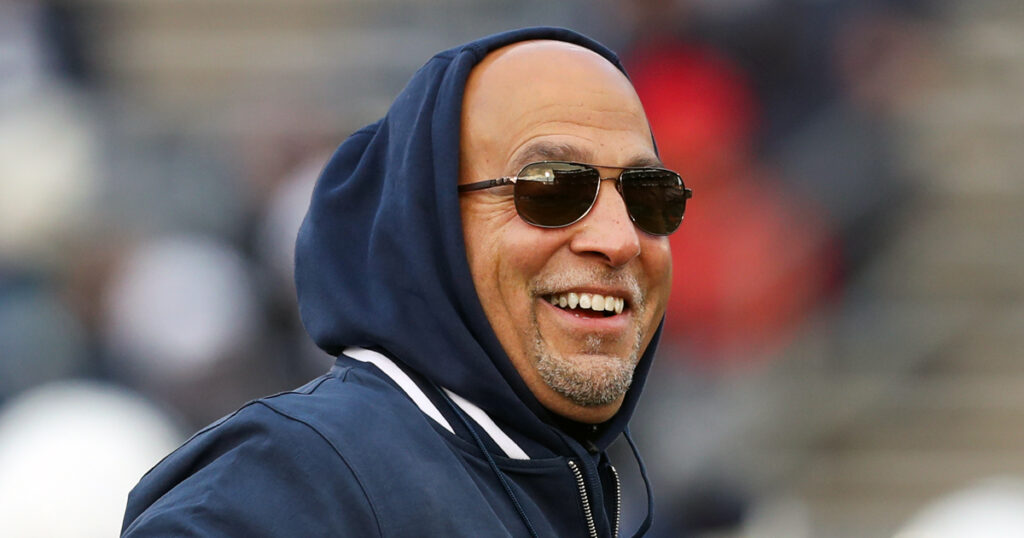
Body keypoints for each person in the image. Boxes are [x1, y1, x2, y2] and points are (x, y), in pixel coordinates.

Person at [122, 27, 691, 537]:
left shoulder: (570, 484)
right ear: (429, 221)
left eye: (650, 196)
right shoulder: (297, 478)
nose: (620, 239)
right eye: (550, 189)